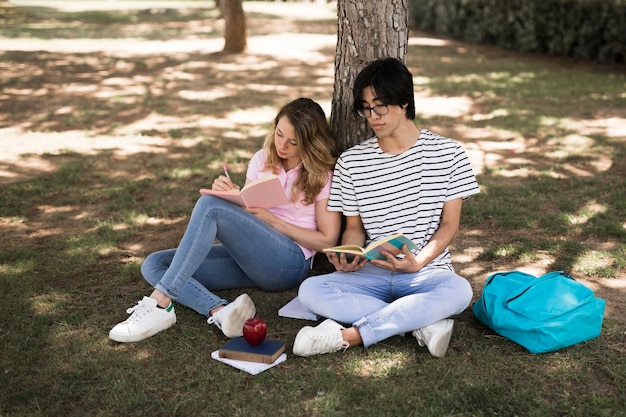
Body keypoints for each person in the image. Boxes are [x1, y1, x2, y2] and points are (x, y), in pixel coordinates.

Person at [109, 98, 340, 343]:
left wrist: (273, 221)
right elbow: (249, 210)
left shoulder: (321, 175)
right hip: (251, 259)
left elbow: (327, 240)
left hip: (288, 264)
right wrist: (230, 195)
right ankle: (220, 311)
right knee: (155, 264)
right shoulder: (263, 159)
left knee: (210, 207)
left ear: (309, 143)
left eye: (293, 142)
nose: (282, 145)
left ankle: (160, 303)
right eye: (279, 134)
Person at [292, 58, 480, 358]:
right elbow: (354, 228)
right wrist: (349, 256)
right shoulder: (352, 162)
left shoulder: (449, 154)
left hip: (426, 272)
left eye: (380, 106)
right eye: (365, 108)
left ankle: (351, 335)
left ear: (404, 101)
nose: (372, 116)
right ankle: (420, 324)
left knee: (460, 291)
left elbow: (449, 225)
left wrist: (418, 262)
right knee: (310, 292)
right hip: (372, 273)